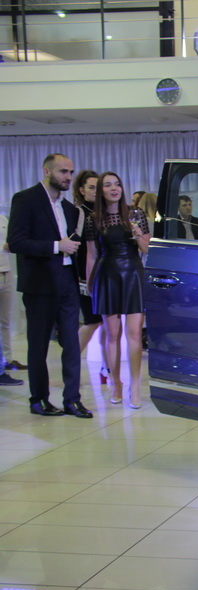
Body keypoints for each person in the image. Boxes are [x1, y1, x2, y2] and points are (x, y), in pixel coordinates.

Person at [7, 153, 92, 418]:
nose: (68, 177)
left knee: (71, 344)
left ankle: (72, 400)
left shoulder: (69, 209)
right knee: (39, 345)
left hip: (67, 282)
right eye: (63, 171)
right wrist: (57, 246)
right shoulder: (26, 199)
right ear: (47, 171)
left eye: (70, 172)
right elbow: (16, 242)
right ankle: (39, 399)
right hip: (39, 284)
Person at [84, 172, 151, 409]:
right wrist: (90, 283)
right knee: (112, 334)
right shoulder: (93, 218)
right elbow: (91, 255)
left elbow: (147, 248)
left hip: (133, 273)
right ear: (101, 190)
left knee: (134, 334)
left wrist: (137, 235)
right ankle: (116, 384)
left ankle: (135, 386)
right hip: (106, 274)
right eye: (108, 185)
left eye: (117, 184)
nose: (114, 188)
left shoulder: (136, 213)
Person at [71, 169, 108, 385]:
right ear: (82, 190)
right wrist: (80, 277)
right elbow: (77, 247)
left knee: (107, 324)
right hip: (85, 277)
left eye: (98, 187)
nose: (95, 191)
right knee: (92, 321)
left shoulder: (105, 212)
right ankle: (71, 362)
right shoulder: (79, 213)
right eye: (91, 187)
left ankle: (106, 367)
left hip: (106, 275)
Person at [0, 214, 25, 386]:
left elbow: (12, 241)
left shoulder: (3, 219)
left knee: (5, 321)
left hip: (6, 271)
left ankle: (7, 360)